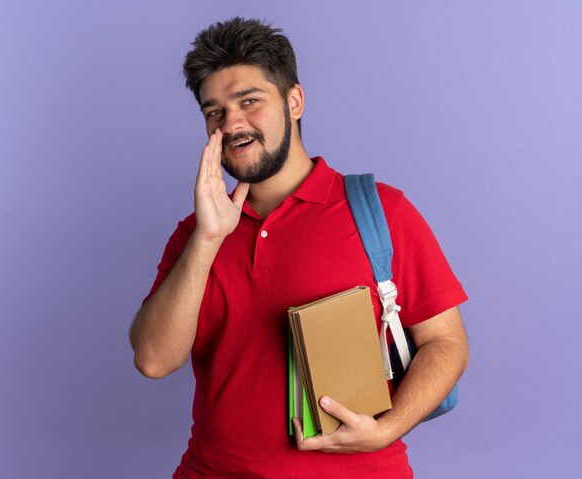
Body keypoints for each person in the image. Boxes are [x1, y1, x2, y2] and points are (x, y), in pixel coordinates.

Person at [130, 17, 469, 479]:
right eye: (215, 112)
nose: (232, 124)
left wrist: (390, 428)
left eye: (249, 101)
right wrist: (208, 239)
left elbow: (445, 342)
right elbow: (153, 360)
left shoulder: (380, 210)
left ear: (294, 101)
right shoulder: (194, 234)